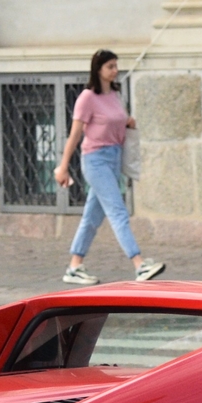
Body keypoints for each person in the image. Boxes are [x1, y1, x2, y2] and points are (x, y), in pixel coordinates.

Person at [54, 49, 162, 285]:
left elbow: (115, 123)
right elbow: (74, 135)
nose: (115, 71)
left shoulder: (114, 95)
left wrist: (128, 123)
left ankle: (74, 265)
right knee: (118, 211)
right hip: (95, 160)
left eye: (116, 66)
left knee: (92, 216)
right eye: (110, 66)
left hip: (114, 158)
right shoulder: (87, 98)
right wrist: (63, 167)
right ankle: (139, 264)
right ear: (98, 69)